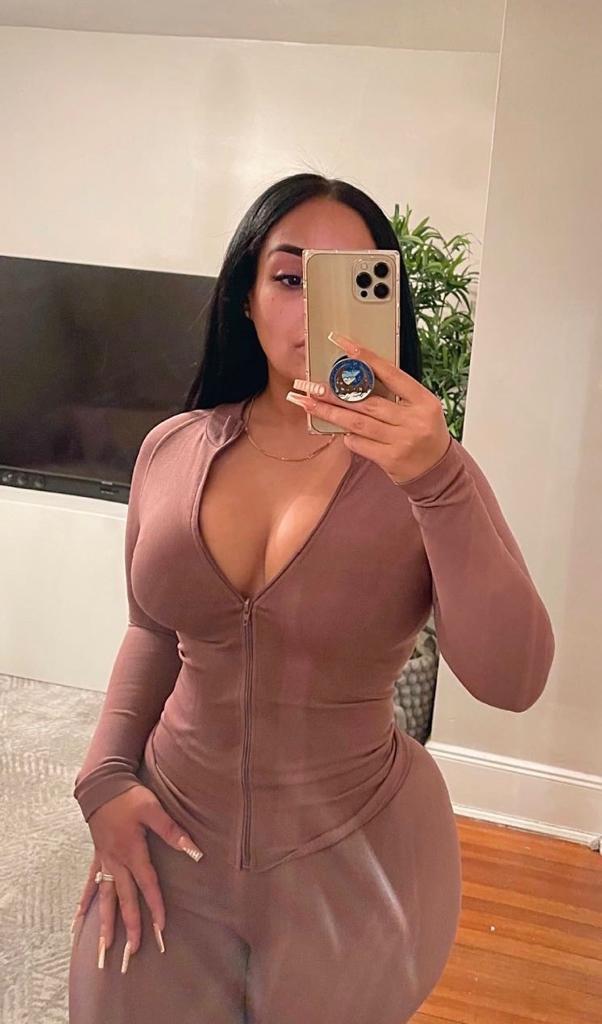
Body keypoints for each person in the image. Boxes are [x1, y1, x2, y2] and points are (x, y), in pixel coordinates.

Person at [68, 172, 555, 1023]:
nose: (315, 310)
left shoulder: (431, 473)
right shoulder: (171, 449)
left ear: (386, 303)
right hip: (170, 832)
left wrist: (438, 481)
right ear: (246, 297)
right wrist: (104, 776)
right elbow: (151, 630)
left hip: (358, 854)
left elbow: (512, 681)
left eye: (349, 281)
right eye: (291, 277)